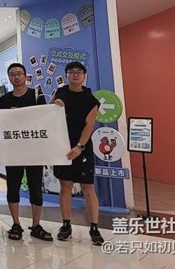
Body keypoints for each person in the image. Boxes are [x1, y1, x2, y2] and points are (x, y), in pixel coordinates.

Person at [0, 63, 53, 242]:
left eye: (19, 73)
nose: (16, 77)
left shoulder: (36, 95)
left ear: (25, 75)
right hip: (13, 150)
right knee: (13, 186)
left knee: (35, 187)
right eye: (13, 74)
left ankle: (36, 225)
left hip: (34, 149)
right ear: (9, 78)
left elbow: (45, 118)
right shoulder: (4, 100)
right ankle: (16, 224)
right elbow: (0, 122)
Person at [52, 61, 104, 246]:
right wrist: (54, 104)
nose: (75, 75)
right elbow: (47, 113)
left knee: (88, 187)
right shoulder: (60, 92)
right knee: (65, 186)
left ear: (84, 76)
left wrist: (79, 146)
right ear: (67, 75)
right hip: (62, 147)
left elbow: (89, 126)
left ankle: (94, 228)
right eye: (72, 72)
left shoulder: (91, 100)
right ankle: (66, 226)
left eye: (79, 72)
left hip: (82, 148)